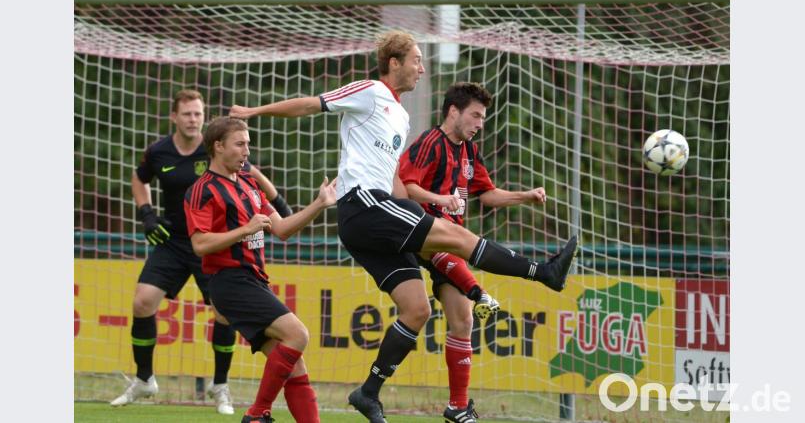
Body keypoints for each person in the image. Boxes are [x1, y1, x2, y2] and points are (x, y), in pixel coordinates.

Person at [230, 30, 577, 423]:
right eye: (416, 60)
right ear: (394, 63)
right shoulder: (370, 91)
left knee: (416, 309)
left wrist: (414, 211)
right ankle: (543, 273)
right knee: (456, 237)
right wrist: (255, 112)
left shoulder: (402, 116)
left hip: (377, 214)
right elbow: (311, 104)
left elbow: (395, 179)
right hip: (363, 204)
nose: (422, 69)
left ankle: (368, 392)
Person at [110, 90, 293, 415]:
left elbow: (253, 175)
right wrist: (146, 213)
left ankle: (220, 386)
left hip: (217, 242)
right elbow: (139, 179)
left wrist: (279, 204)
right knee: (142, 301)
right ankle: (144, 379)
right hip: (172, 241)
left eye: (198, 113)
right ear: (174, 117)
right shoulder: (159, 151)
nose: (193, 119)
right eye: (187, 114)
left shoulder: (218, 150)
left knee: (224, 313)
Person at [399, 82, 565, 422]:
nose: (480, 123)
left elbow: (487, 195)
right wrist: (440, 200)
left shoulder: (469, 152)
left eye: (483, 118)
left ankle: (457, 406)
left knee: (463, 321)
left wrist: (525, 196)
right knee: (453, 252)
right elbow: (406, 186)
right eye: (475, 115)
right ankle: (487, 289)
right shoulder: (430, 142)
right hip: (425, 234)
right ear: (453, 111)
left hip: (452, 242)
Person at [185, 116, 335, 423]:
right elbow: (199, 244)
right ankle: (256, 413)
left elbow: (282, 229)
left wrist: (319, 204)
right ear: (218, 146)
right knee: (298, 334)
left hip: (253, 280)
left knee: (295, 367)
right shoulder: (202, 190)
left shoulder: (250, 185)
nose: (247, 151)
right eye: (240, 144)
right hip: (230, 281)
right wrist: (245, 229)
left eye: (248, 144)